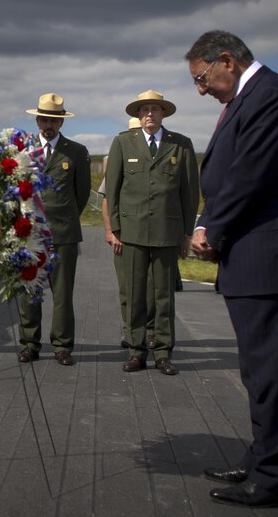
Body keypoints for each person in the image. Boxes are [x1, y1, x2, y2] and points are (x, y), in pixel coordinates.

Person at [187, 30, 278, 508]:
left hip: (273, 258)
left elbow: (250, 175)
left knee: (276, 374)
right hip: (255, 257)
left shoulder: (270, 97)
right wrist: (209, 219)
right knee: (260, 372)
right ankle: (263, 456)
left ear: (226, 60)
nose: (201, 90)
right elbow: (229, 174)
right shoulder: (252, 97)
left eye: (202, 78)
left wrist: (210, 229)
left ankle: (275, 480)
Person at [105, 90, 198, 377]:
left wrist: (186, 234)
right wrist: (115, 229)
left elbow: (190, 194)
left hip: (167, 233)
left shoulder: (180, 146)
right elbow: (113, 189)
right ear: (138, 114)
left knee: (163, 296)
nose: (149, 114)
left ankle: (162, 352)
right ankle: (136, 351)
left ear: (163, 114)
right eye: (144, 110)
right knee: (134, 295)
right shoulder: (123, 143)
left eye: (155, 110)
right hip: (131, 233)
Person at [17, 93, 90, 366]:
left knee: (62, 294)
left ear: (62, 123)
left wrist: (63, 218)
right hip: (30, 235)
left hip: (63, 234)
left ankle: (62, 346)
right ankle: (30, 344)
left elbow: (81, 194)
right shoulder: (23, 151)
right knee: (30, 293)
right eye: (45, 118)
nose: (49, 124)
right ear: (37, 120)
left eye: (55, 120)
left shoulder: (77, 152)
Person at [100, 117, 141, 350]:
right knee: (128, 286)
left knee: (153, 290)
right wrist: (111, 231)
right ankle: (130, 330)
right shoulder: (121, 157)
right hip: (124, 234)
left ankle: (150, 331)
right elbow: (108, 199)